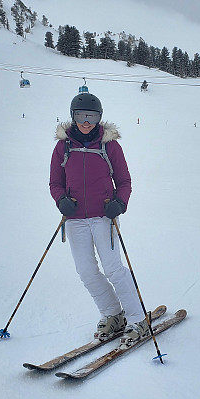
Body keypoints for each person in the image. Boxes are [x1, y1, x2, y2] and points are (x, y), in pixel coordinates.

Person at [49, 93, 150, 347]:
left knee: (113, 268)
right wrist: (61, 200)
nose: (86, 121)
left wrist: (120, 202)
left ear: (99, 118)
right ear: (72, 116)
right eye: (81, 116)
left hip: (104, 216)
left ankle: (137, 319)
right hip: (74, 219)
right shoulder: (64, 146)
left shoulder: (109, 146)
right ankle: (113, 314)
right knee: (86, 271)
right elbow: (55, 183)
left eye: (92, 116)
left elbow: (124, 181)